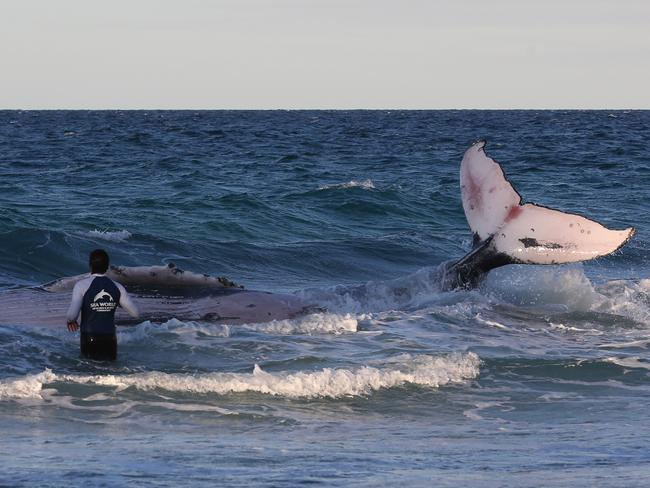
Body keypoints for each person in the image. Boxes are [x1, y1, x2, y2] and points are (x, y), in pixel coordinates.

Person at [66, 249, 139, 360]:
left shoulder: (81, 285)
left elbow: (72, 315)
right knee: (110, 374)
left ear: (90, 265)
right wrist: (117, 302)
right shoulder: (117, 287)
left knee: (89, 372)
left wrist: (70, 321)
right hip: (110, 338)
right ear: (107, 266)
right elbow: (135, 314)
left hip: (89, 337)